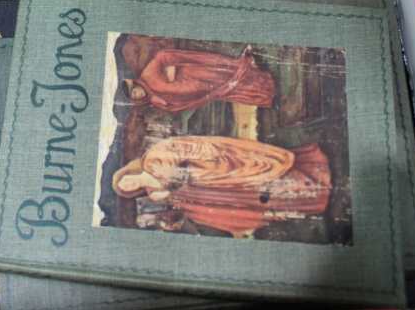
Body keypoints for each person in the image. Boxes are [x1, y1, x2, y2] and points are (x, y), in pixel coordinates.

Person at [112, 135, 331, 238]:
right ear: (133, 192)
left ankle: (314, 178)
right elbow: (181, 202)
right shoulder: (154, 194)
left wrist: (211, 162)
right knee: (257, 199)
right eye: (129, 188)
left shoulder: (153, 158)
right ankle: (312, 199)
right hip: (216, 193)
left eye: (127, 179)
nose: (131, 184)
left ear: (129, 172)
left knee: (264, 175)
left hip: (216, 173)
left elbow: (188, 148)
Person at [123, 44, 275, 112]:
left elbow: (162, 56)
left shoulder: (148, 74)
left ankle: (265, 81)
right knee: (229, 90)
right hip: (200, 91)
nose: (138, 94)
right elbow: (174, 105)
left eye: (135, 91)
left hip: (194, 74)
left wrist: (172, 69)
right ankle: (265, 94)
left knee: (225, 76)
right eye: (135, 97)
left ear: (136, 85)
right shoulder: (153, 101)